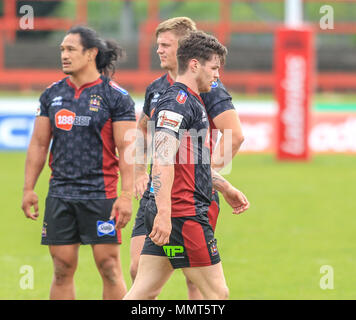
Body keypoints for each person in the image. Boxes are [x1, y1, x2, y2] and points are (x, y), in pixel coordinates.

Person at [124, 30, 249, 300]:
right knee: (217, 295)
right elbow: (163, 159)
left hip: (177, 215)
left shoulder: (191, 101)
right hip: (184, 217)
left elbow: (191, 163)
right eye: (214, 68)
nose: (217, 76)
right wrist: (165, 213)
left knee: (142, 292)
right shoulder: (177, 102)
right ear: (195, 65)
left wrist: (225, 187)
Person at [21, 26, 136, 300]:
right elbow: (38, 144)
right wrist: (28, 189)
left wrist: (126, 196)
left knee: (109, 268)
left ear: (91, 54)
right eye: (62, 49)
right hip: (60, 194)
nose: (64, 55)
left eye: (71, 49)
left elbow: (128, 148)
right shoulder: (51, 94)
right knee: (61, 268)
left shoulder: (116, 96)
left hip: (101, 195)